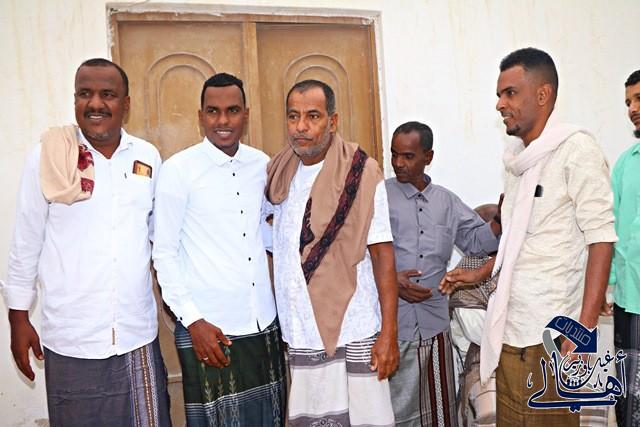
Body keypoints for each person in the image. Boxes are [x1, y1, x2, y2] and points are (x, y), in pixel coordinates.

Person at [2, 58, 170, 426]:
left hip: (136, 333)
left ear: (126, 104)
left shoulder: (146, 157)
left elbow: (160, 239)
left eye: (107, 94)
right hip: (71, 335)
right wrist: (18, 318)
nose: (95, 103)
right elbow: (26, 241)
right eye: (84, 94)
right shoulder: (48, 157)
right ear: (75, 100)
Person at [481, 47, 616, 426]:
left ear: (543, 95)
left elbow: (601, 240)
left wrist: (584, 330)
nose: (500, 104)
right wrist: (481, 272)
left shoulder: (577, 150)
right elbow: (519, 242)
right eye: (499, 94)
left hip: (554, 335)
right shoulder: (517, 159)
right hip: (510, 328)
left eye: (510, 93)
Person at [152, 73, 286, 426]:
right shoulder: (179, 170)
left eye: (232, 110)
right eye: (213, 111)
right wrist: (192, 320)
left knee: (269, 419)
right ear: (201, 116)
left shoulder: (262, 165)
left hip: (262, 321)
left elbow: (266, 233)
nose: (223, 120)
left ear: (246, 114)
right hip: (208, 327)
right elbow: (163, 253)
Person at [267, 79, 399, 426]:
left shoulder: (362, 173)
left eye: (313, 116)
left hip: (355, 329)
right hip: (301, 332)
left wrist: (389, 333)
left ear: (333, 121)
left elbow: (382, 254)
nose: (301, 126)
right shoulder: (280, 173)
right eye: (293, 116)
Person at [385, 121, 500, 426]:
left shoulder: (446, 202)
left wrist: (499, 223)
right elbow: (358, 251)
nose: (398, 163)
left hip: (434, 326)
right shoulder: (379, 196)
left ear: (428, 156)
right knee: (396, 411)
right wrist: (392, 280)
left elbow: (475, 241)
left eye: (408, 156)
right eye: (394, 154)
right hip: (393, 326)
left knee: (439, 411)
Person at [608, 69, 640, 427]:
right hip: (630, 299)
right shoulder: (625, 163)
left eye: (639, 99)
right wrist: (609, 283)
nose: (632, 109)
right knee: (630, 392)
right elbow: (612, 227)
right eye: (628, 102)